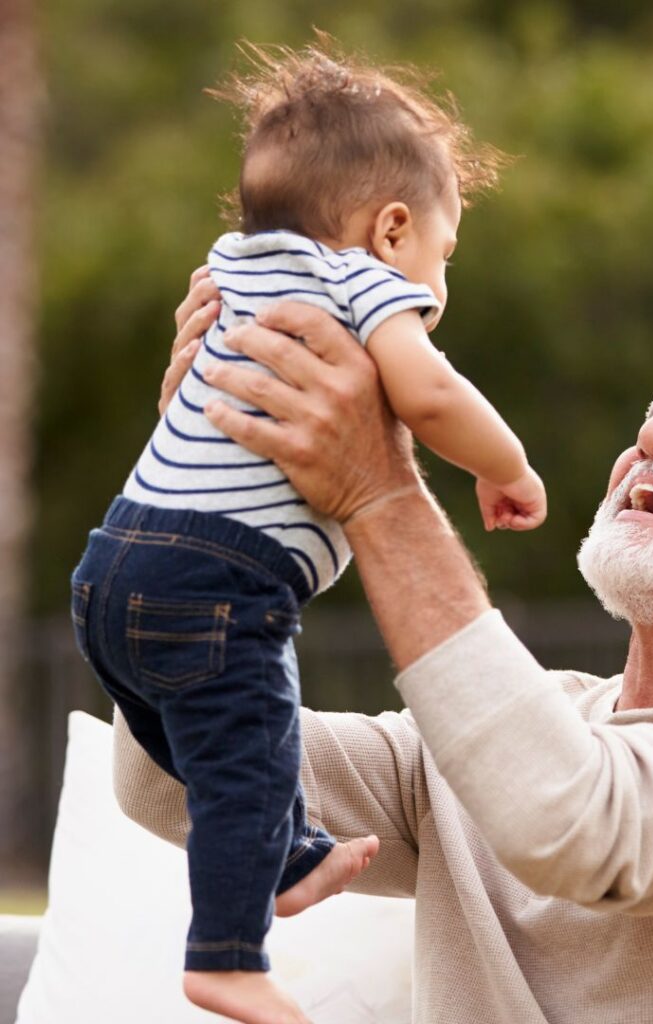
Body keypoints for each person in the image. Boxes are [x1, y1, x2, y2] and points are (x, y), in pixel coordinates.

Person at [114, 304, 653, 1024]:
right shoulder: (520, 730)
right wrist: (198, 490)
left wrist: (380, 489)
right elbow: (171, 780)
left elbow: (568, 819)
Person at [70, 42, 545, 1024]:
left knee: (218, 752)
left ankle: (286, 847)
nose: (436, 286)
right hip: (216, 581)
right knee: (249, 745)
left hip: (110, 567)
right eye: (442, 259)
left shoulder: (233, 269)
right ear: (393, 230)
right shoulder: (365, 286)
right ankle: (228, 956)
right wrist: (505, 466)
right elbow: (431, 391)